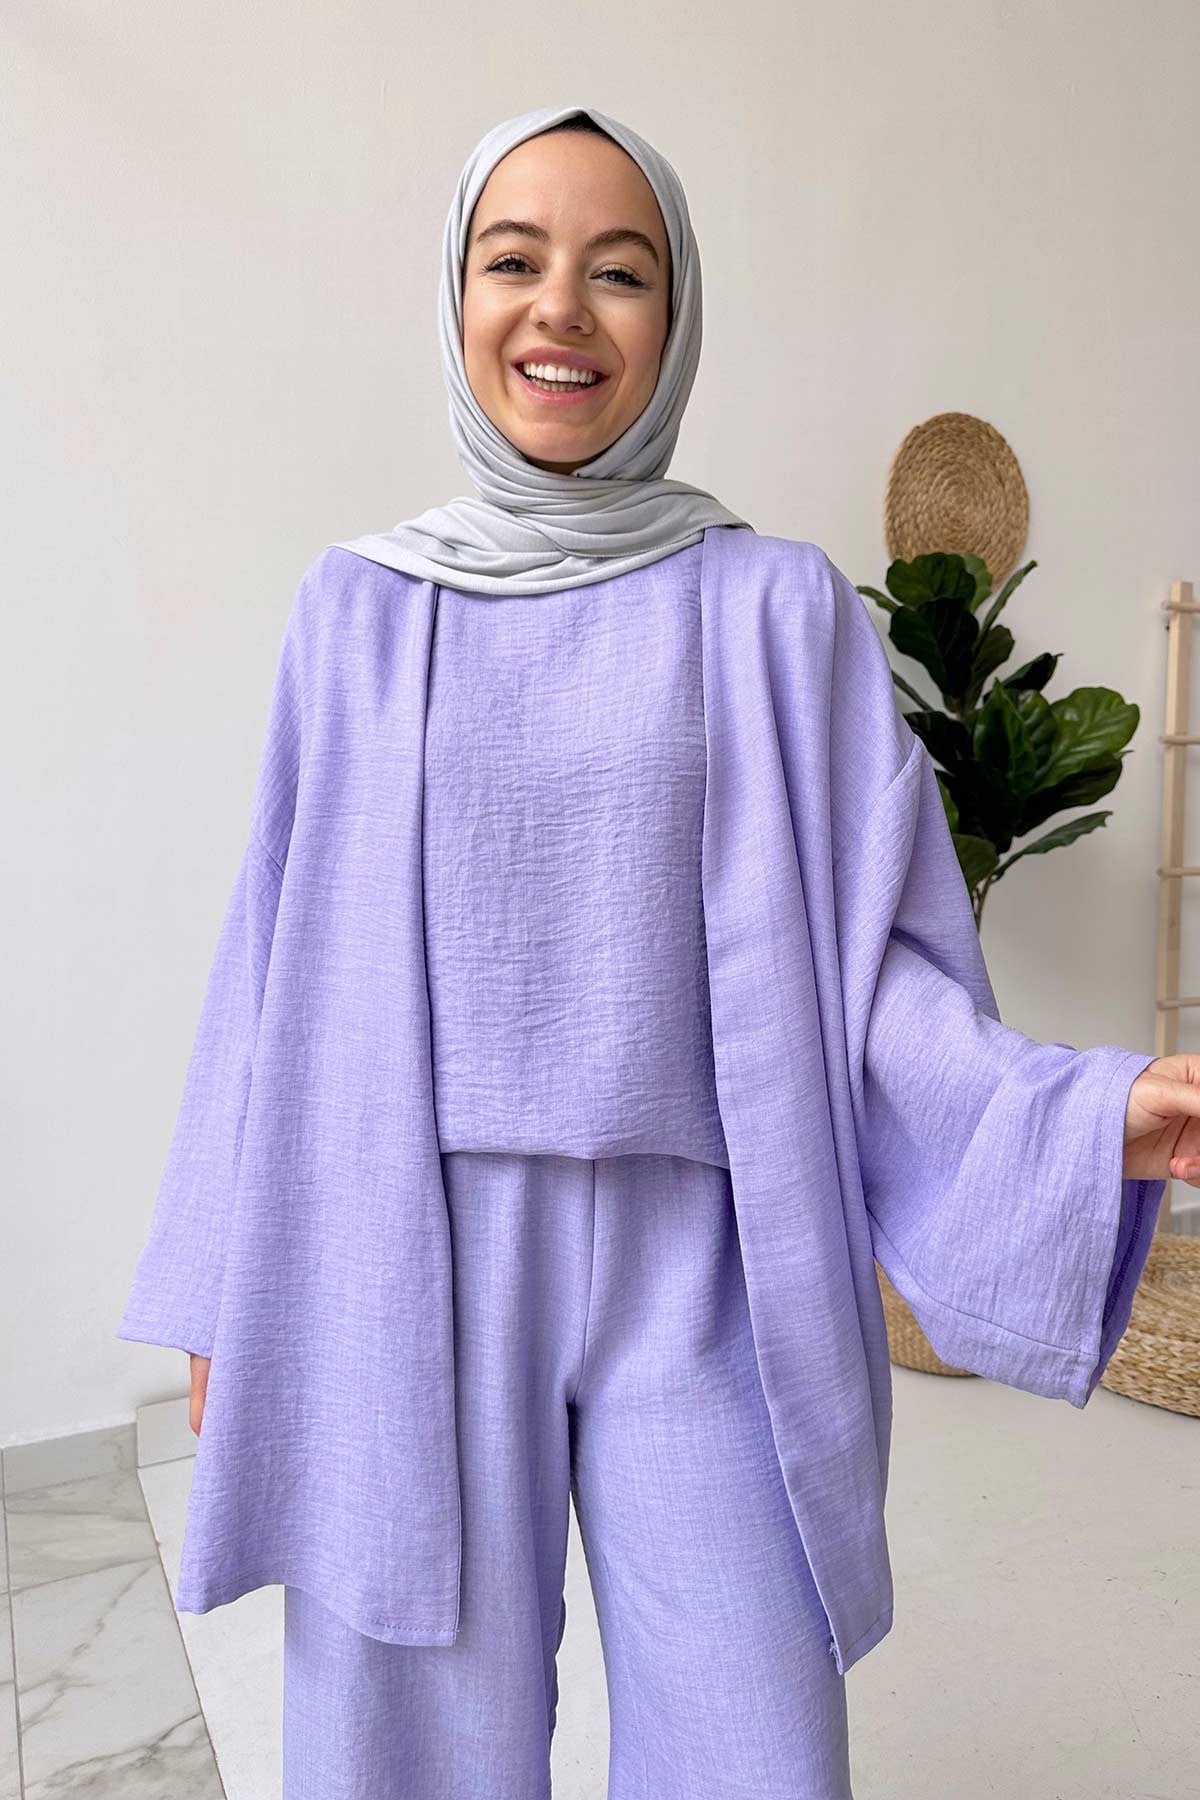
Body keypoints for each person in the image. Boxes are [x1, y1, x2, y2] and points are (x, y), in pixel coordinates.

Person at [117, 104, 1200, 1799]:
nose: (562, 306)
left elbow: (874, 974)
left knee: (750, 1734)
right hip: (412, 1247)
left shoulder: (775, 607)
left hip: (713, 1262)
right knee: (406, 1747)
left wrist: (1077, 1114)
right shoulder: (360, 606)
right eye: (514, 259)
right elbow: (271, 957)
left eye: (620, 271)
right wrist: (218, 1286)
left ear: (676, 318)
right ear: (458, 297)